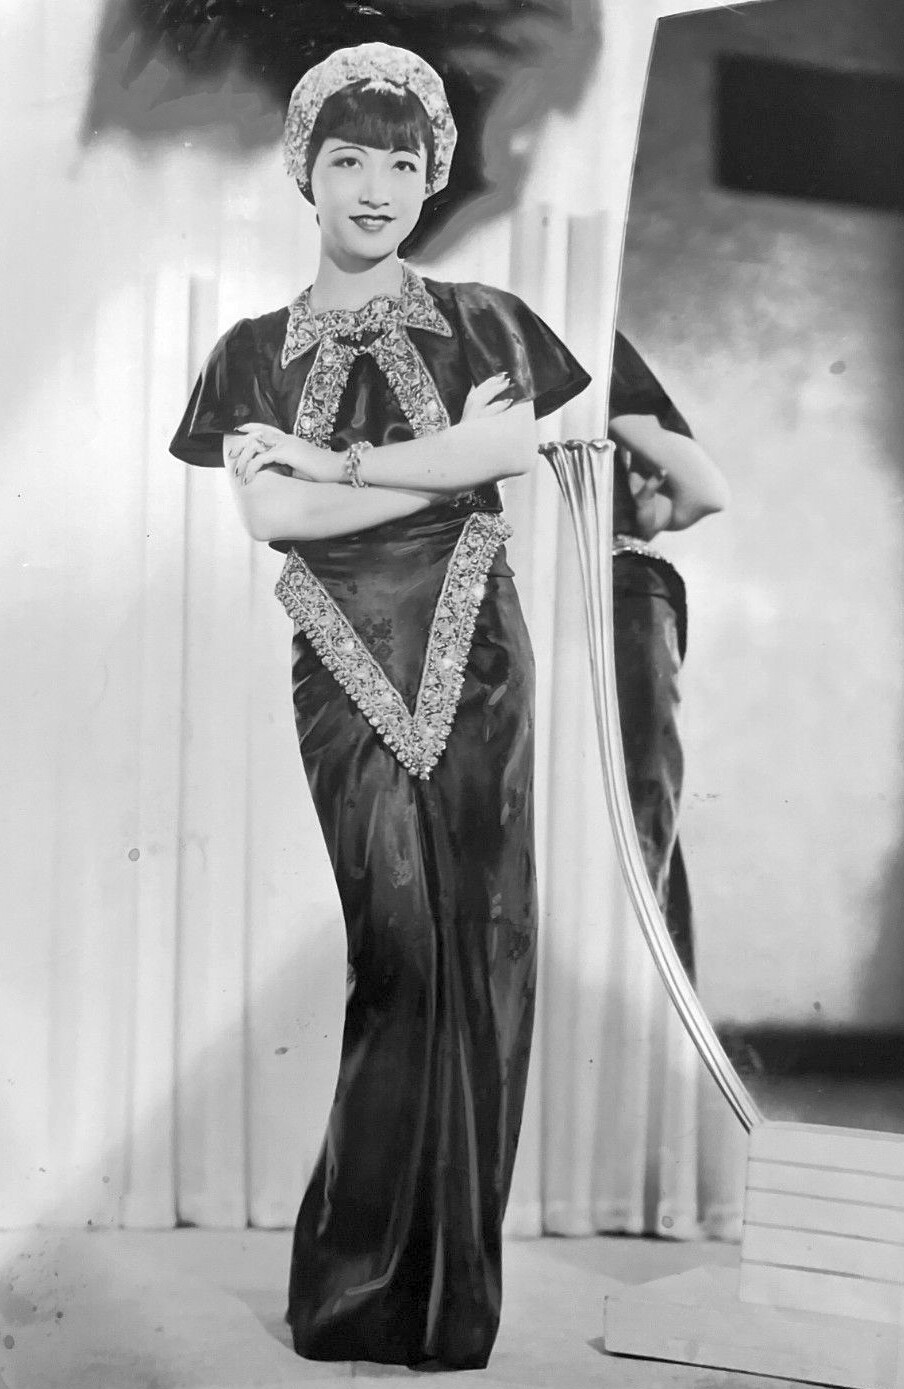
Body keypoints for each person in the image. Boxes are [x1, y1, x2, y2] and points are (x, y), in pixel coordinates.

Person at [169, 42, 590, 1371]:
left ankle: (449, 1304)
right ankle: (357, 1288)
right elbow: (274, 518)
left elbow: (508, 448)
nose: (375, 185)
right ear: (306, 170)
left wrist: (337, 461)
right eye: (348, 157)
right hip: (342, 664)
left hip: (480, 657)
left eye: (401, 161)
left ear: (430, 177)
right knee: (397, 955)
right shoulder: (249, 352)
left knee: (489, 950)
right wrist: (434, 469)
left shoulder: (482, 318)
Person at [607, 331, 728, 981]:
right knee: (632, 816)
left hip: (577, 596)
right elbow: (701, 491)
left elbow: (704, 490)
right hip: (619, 594)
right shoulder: (580, 337)